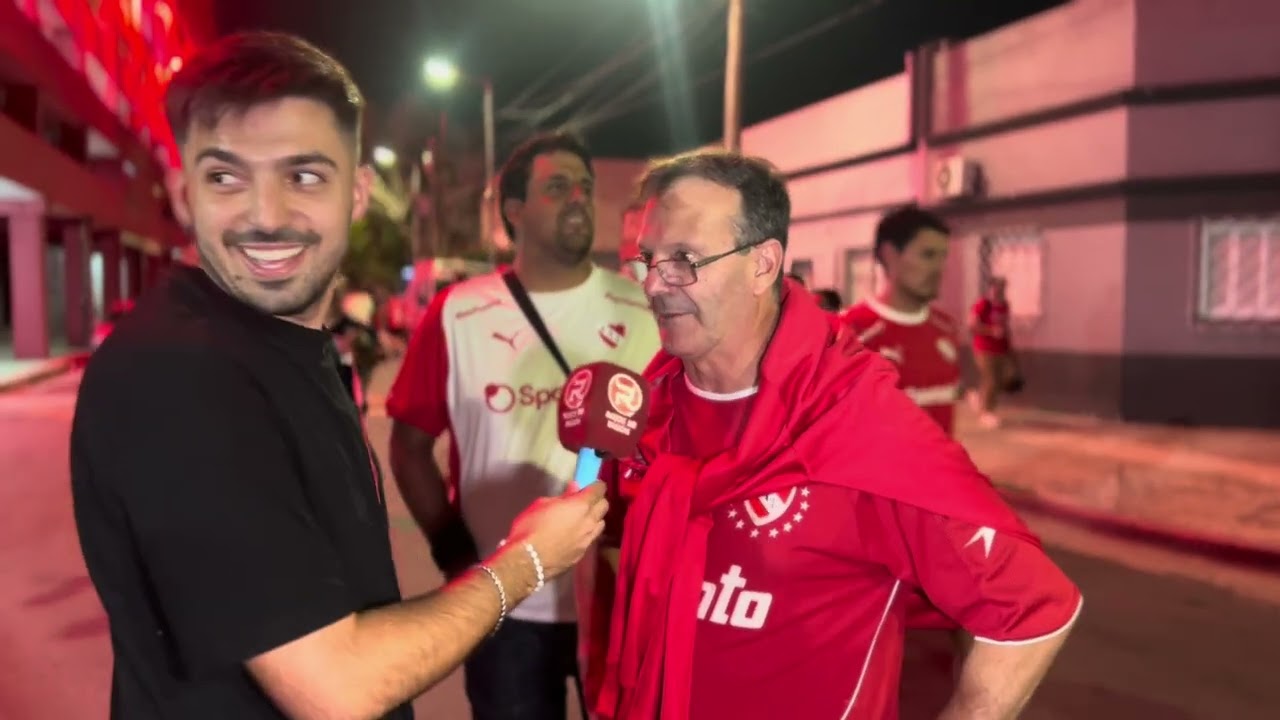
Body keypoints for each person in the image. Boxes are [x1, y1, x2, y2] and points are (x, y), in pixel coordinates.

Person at [69, 32, 608, 720]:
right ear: (183, 193)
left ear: (355, 194)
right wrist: (528, 561)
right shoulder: (180, 377)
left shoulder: (281, 346)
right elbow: (339, 686)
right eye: (226, 176)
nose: (265, 216)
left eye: (303, 176)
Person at [595, 150, 1081, 720]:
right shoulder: (648, 408)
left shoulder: (858, 424)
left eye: (685, 259)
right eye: (648, 260)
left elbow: (1034, 612)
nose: (655, 284)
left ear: (763, 264)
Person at [386, 132, 659, 720]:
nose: (579, 199)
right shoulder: (458, 312)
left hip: (619, 603)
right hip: (504, 605)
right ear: (514, 211)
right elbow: (408, 447)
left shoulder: (644, 311)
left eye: (585, 188)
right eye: (557, 187)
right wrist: (454, 550)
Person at [841, 206, 962, 435]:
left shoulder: (947, 328)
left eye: (942, 256)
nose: (939, 268)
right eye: (927, 255)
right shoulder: (849, 332)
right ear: (890, 255)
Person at [969, 276, 1015, 428]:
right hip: (983, 348)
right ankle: (986, 413)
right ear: (990, 288)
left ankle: (979, 398)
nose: (999, 291)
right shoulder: (983, 304)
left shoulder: (1004, 306)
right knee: (991, 379)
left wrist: (1009, 347)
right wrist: (990, 331)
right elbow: (973, 325)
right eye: (996, 287)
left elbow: (1005, 327)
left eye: (1002, 288)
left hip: (1000, 349)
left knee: (998, 380)